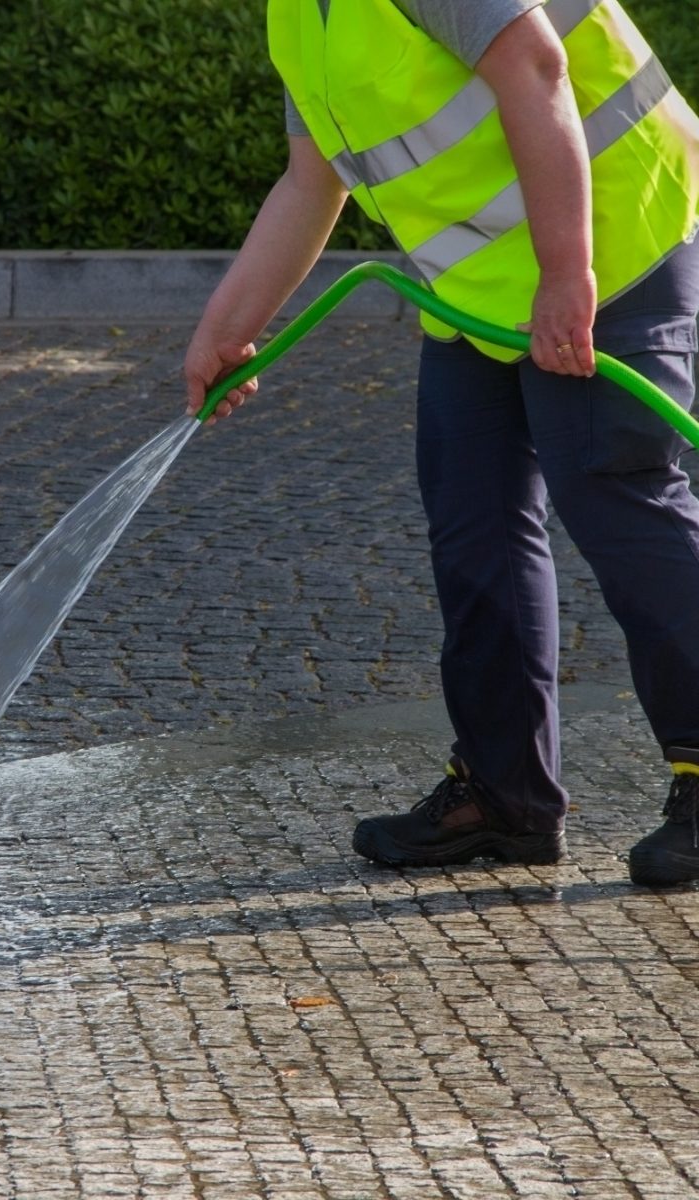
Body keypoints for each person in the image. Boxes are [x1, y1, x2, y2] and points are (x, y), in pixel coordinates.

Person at [184, 0, 699, 886]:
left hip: (613, 231)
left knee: (613, 492)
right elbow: (313, 182)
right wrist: (225, 330)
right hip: (481, 287)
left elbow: (537, 70)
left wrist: (565, 275)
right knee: (473, 518)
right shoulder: (294, 19)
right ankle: (506, 796)